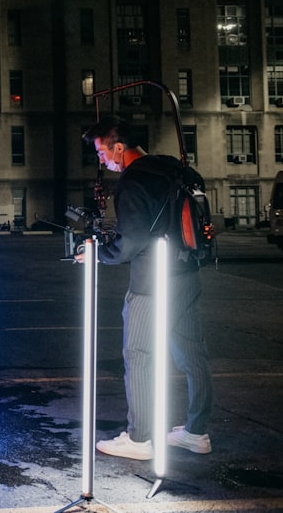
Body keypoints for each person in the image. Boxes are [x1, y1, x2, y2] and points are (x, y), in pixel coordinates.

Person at [78, 116, 213, 460]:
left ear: (119, 148)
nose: (102, 160)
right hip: (187, 273)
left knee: (138, 355)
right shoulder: (171, 167)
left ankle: (139, 439)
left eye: (102, 152)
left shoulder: (133, 180)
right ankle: (196, 432)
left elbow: (133, 240)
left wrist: (98, 254)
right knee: (191, 351)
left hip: (152, 282)